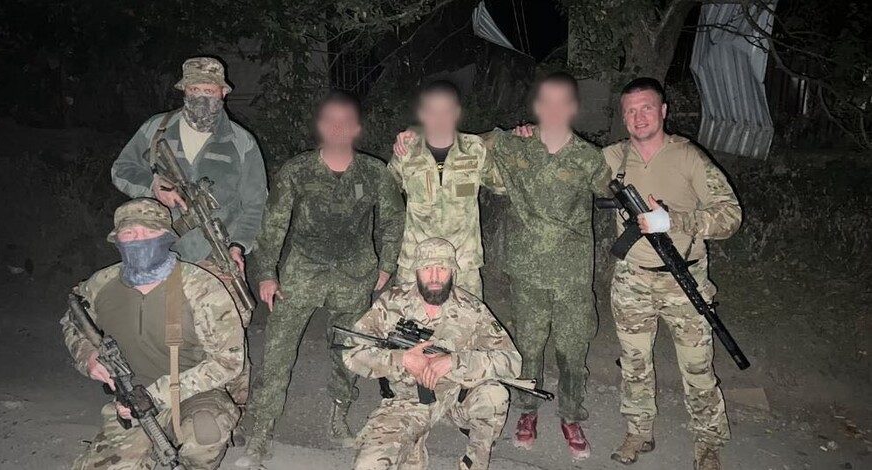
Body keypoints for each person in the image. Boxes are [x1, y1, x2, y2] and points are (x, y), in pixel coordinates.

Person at [393, 71, 609, 459]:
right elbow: (394, 182)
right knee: (514, 344)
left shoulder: (586, 157)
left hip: (553, 271)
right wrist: (412, 134)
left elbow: (616, 187)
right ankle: (508, 410)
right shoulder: (420, 150)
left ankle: (565, 414)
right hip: (456, 267)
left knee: (563, 348)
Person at [236, 90, 405, 468]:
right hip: (303, 272)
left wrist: (386, 265)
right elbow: (273, 225)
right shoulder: (297, 171)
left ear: (356, 128)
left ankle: (339, 413)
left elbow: (394, 219)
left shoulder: (375, 172)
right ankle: (261, 428)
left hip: (354, 274)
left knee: (347, 349)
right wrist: (267, 273)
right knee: (278, 349)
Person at [603, 77, 741, 470]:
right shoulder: (613, 157)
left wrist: (675, 221)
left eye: (646, 107)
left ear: (663, 111)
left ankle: (708, 444)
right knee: (633, 364)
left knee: (697, 368)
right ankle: (638, 431)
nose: (638, 117)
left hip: (684, 280)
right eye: (630, 110)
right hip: (632, 280)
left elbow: (730, 215)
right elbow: (563, 158)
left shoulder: (688, 157)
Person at [60, 198, 246, 470]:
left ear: (167, 237)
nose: (140, 240)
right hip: (130, 402)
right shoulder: (100, 285)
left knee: (207, 429)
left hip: (194, 394)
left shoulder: (200, 286)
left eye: (149, 232)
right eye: (130, 233)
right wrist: (86, 355)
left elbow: (228, 362)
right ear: (117, 240)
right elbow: (71, 320)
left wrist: (156, 395)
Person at [344, 237, 522, 470]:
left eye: (442, 268)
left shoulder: (472, 309)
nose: (435, 277)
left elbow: (511, 361)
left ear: (453, 272)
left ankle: (475, 463)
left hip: (457, 396)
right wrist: (402, 359)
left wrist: (453, 362)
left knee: (494, 395)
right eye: (427, 268)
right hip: (407, 402)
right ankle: (413, 445)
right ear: (416, 271)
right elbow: (351, 351)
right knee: (368, 465)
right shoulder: (392, 303)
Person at [111, 56, 268, 277]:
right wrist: (151, 184)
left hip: (218, 252)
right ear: (184, 90)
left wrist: (239, 246)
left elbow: (256, 204)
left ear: (223, 92)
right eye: (195, 89)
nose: (201, 97)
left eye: (209, 91)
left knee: (230, 300)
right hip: (158, 250)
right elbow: (121, 170)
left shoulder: (241, 141)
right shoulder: (156, 129)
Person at [387, 80, 504, 298]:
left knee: (468, 317)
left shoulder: (475, 149)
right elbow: (383, 191)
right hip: (417, 261)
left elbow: (503, 185)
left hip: (463, 262)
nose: (439, 118)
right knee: (407, 317)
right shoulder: (407, 151)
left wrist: (517, 141)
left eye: (446, 111)